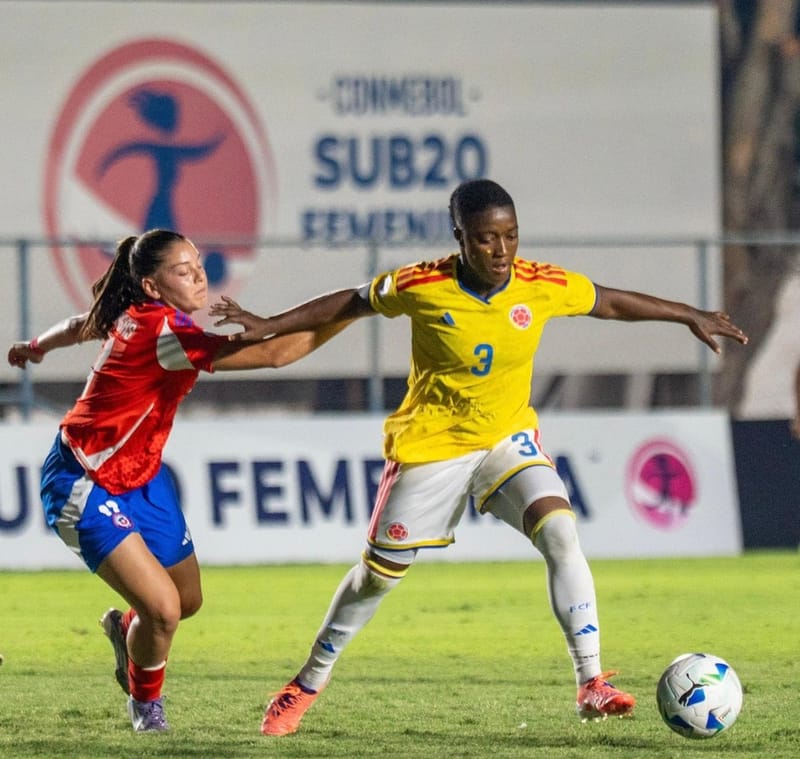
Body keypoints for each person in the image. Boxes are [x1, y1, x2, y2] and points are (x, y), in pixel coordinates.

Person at [210, 178, 749, 736]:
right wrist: (272, 324)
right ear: (460, 238)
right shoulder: (422, 284)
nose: (501, 250)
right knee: (376, 580)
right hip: (432, 447)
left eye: (510, 235)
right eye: (487, 238)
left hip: (506, 440)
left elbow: (607, 301)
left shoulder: (541, 284)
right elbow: (352, 300)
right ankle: (304, 684)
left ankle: (591, 681)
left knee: (560, 531)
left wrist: (688, 313)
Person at [6, 229, 349, 733]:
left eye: (199, 266)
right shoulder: (166, 335)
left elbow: (82, 324)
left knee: (185, 602)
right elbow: (277, 353)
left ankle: (128, 630)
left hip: (141, 478)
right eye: (183, 271)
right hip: (83, 480)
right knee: (164, 610)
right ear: (151, 285)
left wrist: (35, 346)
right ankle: (146, 707)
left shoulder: (140, 315)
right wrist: (354, 309)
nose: (199, 277)